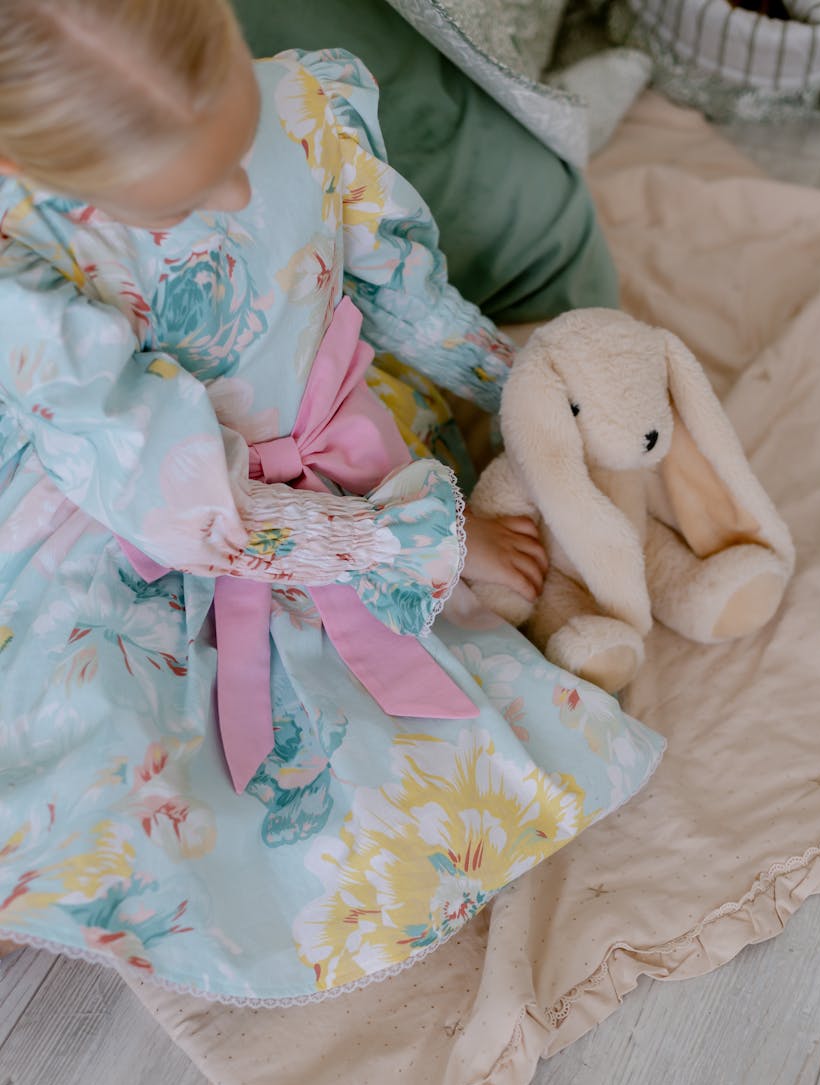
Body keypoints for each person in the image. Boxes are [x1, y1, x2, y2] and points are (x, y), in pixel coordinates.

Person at [0, 0, 663, 1003]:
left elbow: (404, 293)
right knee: (98, 764)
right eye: (181, 200)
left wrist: (533, 401)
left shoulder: (310, 99)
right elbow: (200, 515)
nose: (236, 191)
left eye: (240, 134)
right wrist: (428, 541)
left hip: (329, 435)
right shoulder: (31, 275)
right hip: (150, 513)